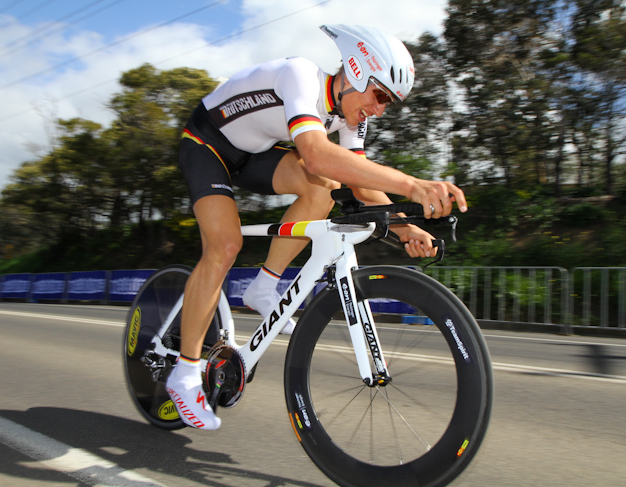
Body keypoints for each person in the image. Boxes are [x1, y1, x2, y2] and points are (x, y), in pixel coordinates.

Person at [165, 24, 468, 430]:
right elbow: (317, 155)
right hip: (207, 143)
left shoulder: (350, 119)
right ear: (357, 71)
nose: (380, 109)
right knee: (224, 245)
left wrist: (405, 230)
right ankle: (184, 375)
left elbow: (358, 183)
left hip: (255, 153)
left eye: (389, 103)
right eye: (380, 95)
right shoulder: (301, 75)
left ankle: (264, 286)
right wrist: (413, 185)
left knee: (325, 189)